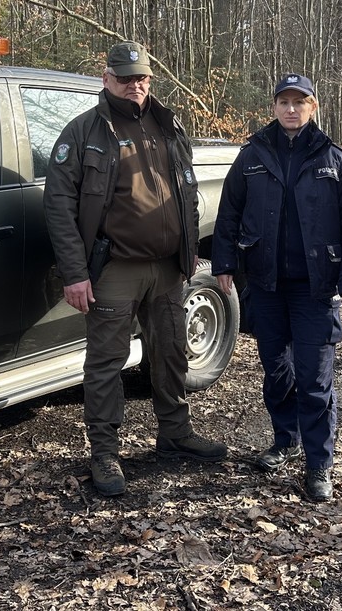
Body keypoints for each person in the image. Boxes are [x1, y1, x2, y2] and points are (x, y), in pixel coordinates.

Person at [44, 41, 228, 497]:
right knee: (107, 362)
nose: (134, 85)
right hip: (115, 267)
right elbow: (59, 207)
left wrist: (189, 252)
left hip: (166, 267)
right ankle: (105, 452)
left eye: (141, 77)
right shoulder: (84, 131)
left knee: (171, 351)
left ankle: (175, 433)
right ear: (106, 78)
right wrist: (75, 273)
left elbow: (187, 192)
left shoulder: (167, 124)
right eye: (125, 78)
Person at [212, 74, 342, 502]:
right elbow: (229, 213)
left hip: (316, 287)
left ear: (313, 107)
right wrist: (224, 263)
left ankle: (319, 463)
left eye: (300, 102)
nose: (291, 109)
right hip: (266, 283)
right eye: (284, 101)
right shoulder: (252, 155)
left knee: (315, 378)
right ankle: (285, 440)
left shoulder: (333, 157)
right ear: (274, 107)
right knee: (277, 370)